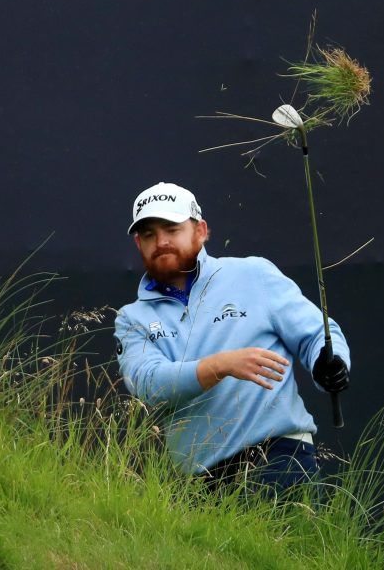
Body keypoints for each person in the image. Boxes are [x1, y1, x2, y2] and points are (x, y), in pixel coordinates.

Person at [114, 182, 350, 494]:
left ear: (201, 231)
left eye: (172, 229)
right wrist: (220, 365)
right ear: (138, 244)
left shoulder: (253, 274)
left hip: (281, 459)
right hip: (199, 485)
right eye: (149, 234)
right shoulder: (132, 319)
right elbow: (149, 385)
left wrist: (329, 361)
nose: (161, 242)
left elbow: (318, 333)